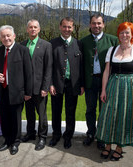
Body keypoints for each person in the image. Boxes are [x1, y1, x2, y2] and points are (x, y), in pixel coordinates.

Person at [96, 22, 133, 161]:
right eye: (121, 32)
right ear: (118, 35)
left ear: (132, 34)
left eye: (127, 32)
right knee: (109, 115)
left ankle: (119, 147)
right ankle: (108, 145)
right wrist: (103, 90)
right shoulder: (112, 50)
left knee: (125, 117)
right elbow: (107, 71)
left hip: (131, 87)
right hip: (112, 86)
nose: (124, 35)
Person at [81, 14, 119, 149]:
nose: (96, 26)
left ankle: (102, 136)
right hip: (90, 82)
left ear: (103, 24)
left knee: (104, 110)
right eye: (93, 23)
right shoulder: (83, 41)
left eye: (99, 23)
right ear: (90, 25)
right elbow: (81, 64)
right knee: (90, 109)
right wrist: (81, 84)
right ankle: (90, 133)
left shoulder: (113, 40)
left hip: (106, 83)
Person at [0, 25, 33, 155]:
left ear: (14, 36)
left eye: (8, 35)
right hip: (3, 90)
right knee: (4, 117)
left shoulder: (23, 50)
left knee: (15, 118)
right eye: (3, 36)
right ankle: (7, 140)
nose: (6, 38)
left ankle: (15, 142)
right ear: (0, 38)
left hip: (17, 91)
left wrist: (28, 92)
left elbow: (29, 73)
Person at [49, 17, 84, 149]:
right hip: (57, 83)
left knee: (70, 112)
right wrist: (50, 84)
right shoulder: (52, 43)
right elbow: (49, 66)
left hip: (73, 84)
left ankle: (68, 136)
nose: (67, 29)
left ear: (73, 28)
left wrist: (82, 84)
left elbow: (82, 66)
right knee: (56, 111)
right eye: (64, 26)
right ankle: (56, 135)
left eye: (69, 27)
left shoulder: (78, 44)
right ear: (60, 27)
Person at [20, 19, 52, 151]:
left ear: (39, 29)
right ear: (27, 29)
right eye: (30, 27)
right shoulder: (22, 45)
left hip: (40, 88)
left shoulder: (46, 45)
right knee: (29, 113)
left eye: (35, 27)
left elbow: (48, 68)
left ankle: (42, 137)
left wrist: (45, 87)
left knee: (42, 114)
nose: (33, 29)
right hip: (27, 89)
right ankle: (30, 133)